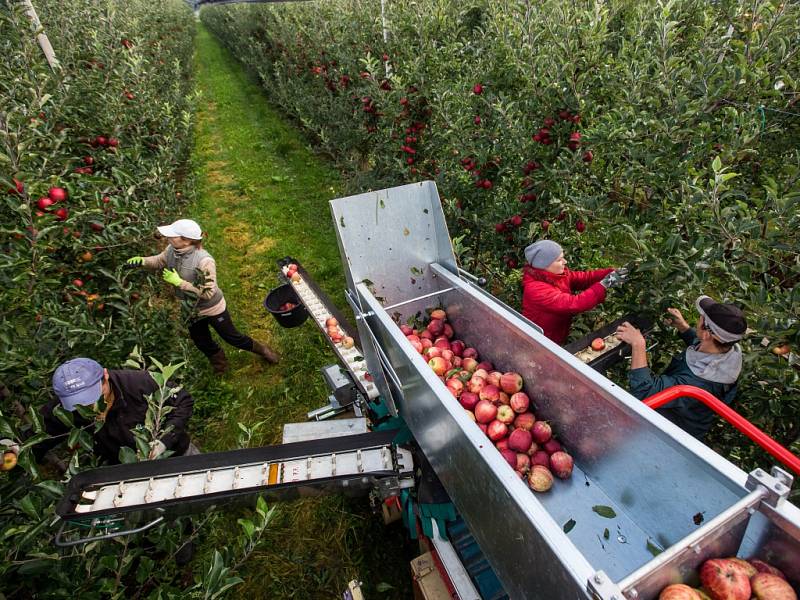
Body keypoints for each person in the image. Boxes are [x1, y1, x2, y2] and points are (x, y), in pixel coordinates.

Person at [126, 218, 278, 373]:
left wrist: (180, 283)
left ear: (186, 241)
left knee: (232, 337)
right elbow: (158, 261)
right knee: (201, 341)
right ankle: (221, 366)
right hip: (191, 308)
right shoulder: (171, 250)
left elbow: (208, 292)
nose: (168, 238)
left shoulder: (204, 260)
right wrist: (143, 261)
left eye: (173, 235)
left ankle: (263, 350)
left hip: (212, 307)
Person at [2, 358, 195, 467]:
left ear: (105, 376)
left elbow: (183, 400)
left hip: (175, 454)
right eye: (79, 403)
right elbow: (36, 437)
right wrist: (12, 449)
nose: (90, 406)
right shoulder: (62, 410)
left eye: (92, 396)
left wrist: (164, 440)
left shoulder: (139, 383)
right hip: (122, 469)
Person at [615, 295, 747, 440]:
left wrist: (638, 343)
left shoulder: (699, 381)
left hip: (670, 433)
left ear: (706, 333)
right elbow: (703, 344)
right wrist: (684, 328)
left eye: (702, 318)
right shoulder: (727, 350)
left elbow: (644, 391)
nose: (699, 318)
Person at [521, 240, 627, 344]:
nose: (565, 262)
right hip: (541, 341)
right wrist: (604, 284)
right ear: (544, 265)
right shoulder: (536, 290)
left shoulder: (557, 275)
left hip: (557, 333)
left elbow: (584, 278)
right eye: (559, 260)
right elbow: (573, 303)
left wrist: (610, 272)